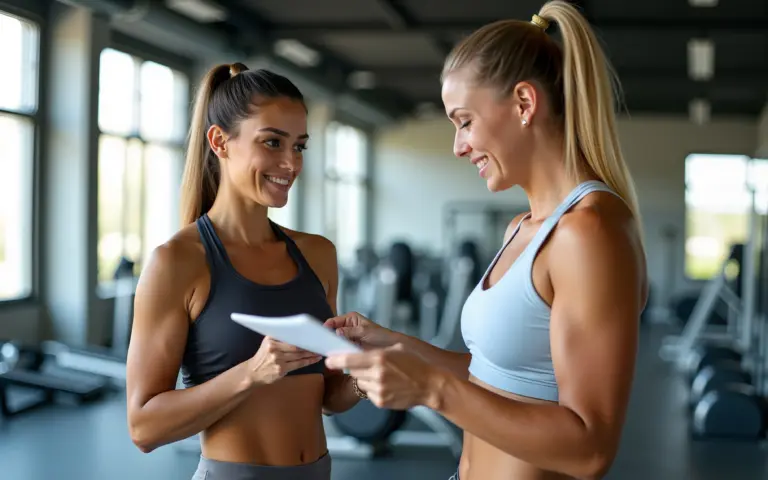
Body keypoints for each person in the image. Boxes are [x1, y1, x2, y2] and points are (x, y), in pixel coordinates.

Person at [324, 2, 648, 480]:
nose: (458, 146)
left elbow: (590, 449)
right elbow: (495, 377)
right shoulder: (521, 227)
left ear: (524, 104)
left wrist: (431, 389)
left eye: (465, 122)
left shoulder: (587, 233)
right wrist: (395, 344)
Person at [125, 63, 364, 480]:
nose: (290, 163)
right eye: (272, 142)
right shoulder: (178, 262)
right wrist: (252, 373)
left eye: (299, 147)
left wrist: (364, 373)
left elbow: (327, 397)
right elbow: (144, 427)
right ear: (220, 141)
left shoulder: (318, 254)